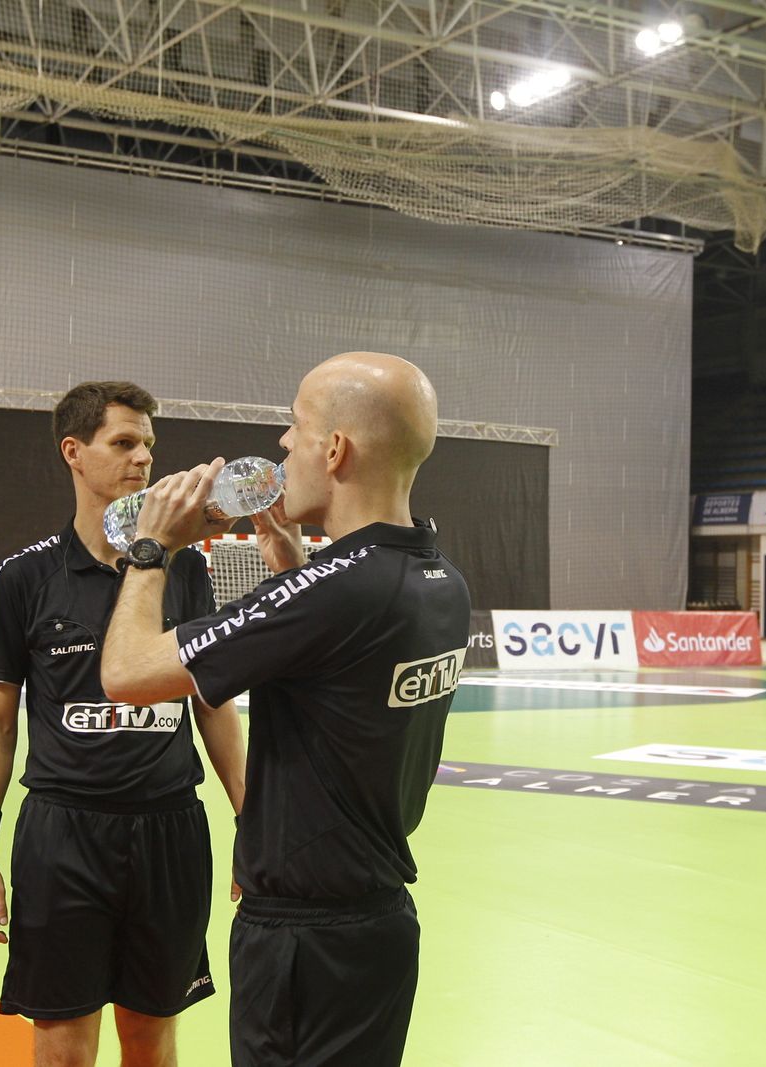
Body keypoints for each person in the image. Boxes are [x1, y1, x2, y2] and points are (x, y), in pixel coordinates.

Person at [100, 352, 472, 1067]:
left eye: (295, 426)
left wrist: (152, 549)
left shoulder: (330, 594)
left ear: (335, 449)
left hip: (305, 942)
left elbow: (124, 672)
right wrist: (294, 568)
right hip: (380, 926)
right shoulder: (440, 580)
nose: (280, 444)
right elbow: (342, 663)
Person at [0, 381, 246, 1067]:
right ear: (74, 452)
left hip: (171, 833)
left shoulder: (184, 574)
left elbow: (213, 706)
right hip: (63, 839)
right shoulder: (24, 578)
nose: (143, 458)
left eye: (148, 443)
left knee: (152, 1042)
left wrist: (253, 818)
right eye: (123, 442)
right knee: (64, 1048)